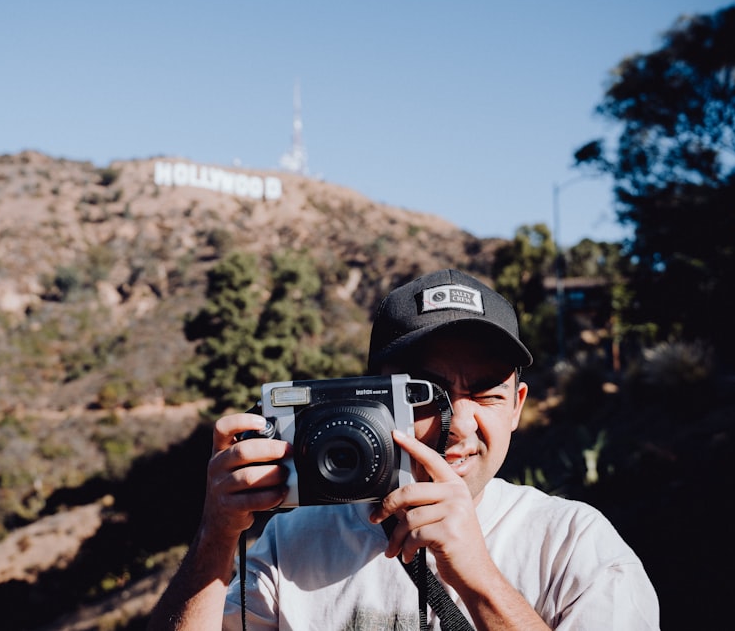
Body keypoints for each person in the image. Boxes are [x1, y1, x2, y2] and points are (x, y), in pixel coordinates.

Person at [148, 269, 659, 630]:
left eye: (486, 394)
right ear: (371, 398)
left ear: (517, 407)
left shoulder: (574, 545)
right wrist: (215, 538)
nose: (459, 422)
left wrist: (479, 580)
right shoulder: (291, 544)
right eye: (422, 394)